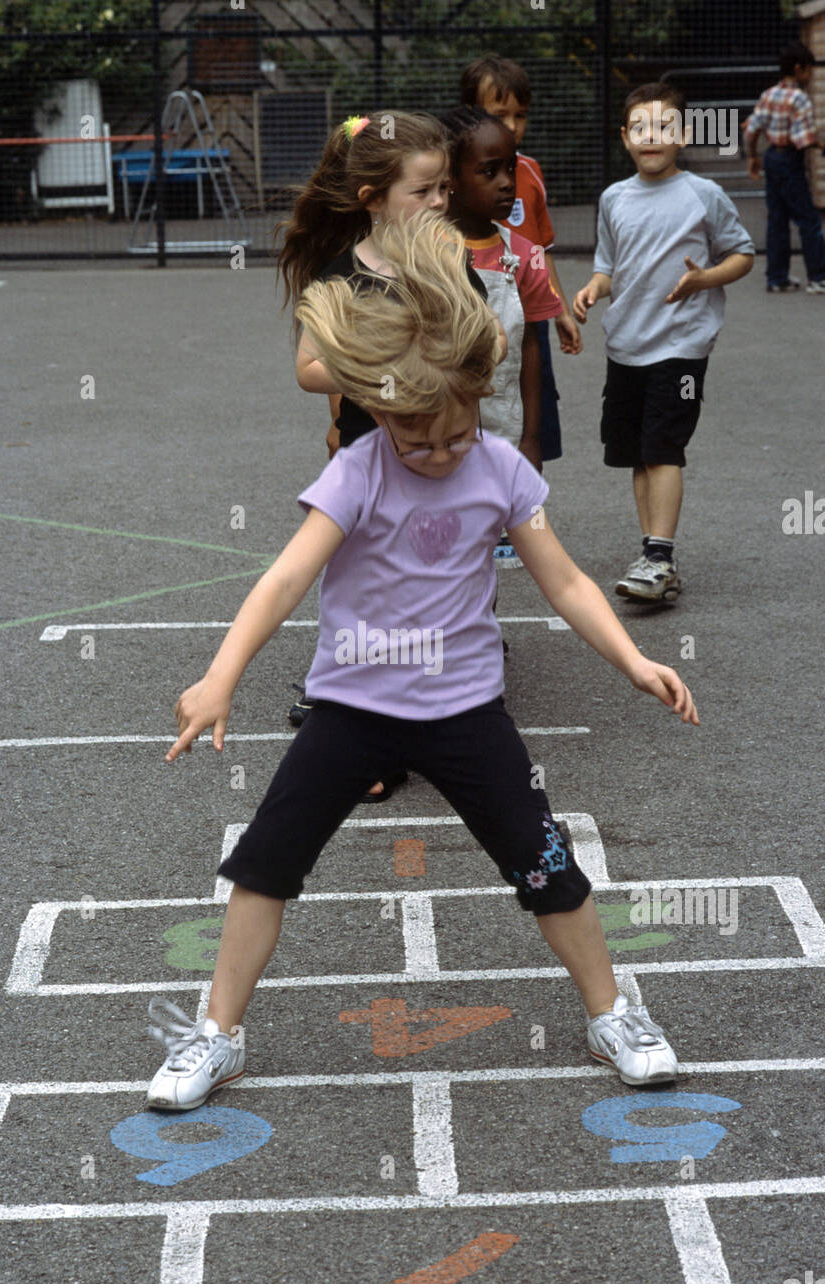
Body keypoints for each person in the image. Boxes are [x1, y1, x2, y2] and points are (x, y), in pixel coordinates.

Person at [145, 212, 699, 1114]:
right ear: (382, 415)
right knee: (264, 864)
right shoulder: (359, 470)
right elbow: (286, 578)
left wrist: (633, 660)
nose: (437, 456)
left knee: (545, 864)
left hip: (466, 714)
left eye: (453, 438)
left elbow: (563, 584)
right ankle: (217, 1034)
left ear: (476, 403)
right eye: (416, 441)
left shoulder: (504, 472)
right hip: (351, 710)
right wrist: (220, 677)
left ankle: (613, 1014)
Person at [276, 110, 505, 795]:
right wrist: (384, 375)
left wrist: (461, 361)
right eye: (425, 190)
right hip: (369, 456)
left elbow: (486, 339)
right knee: (369, 586)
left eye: (443, 188)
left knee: (442, 572)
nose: (441, 201)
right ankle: (358, 720)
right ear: (373, 198)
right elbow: (309, 367)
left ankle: (457, 689)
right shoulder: (342, 273)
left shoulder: (449, 258)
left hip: (439, 454)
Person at [573, 83, 755, 602]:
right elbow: (609, 266)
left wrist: (705, 279)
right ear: (624, 137)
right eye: (640, 127)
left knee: (663, 448)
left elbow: (742, 255)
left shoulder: (703, 195)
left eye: (663, 126)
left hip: (681, 347)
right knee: (636, 454)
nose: (651, 136)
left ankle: (660, 557)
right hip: (625, 345)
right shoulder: (613, 198)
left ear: (685, 134)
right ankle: (652, 552)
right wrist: (592, 289)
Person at [441, 105, 562, 568]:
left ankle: (482, 634)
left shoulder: (524, 255)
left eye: (509, 168)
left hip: (503, 420)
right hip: (437, 428)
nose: (507, 182)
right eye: (488, 172)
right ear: (450, 178)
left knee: (485, 540)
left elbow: (532, 344)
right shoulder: (424, 251)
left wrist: (532, 435)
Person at [460, 52, 583, 468]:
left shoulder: (530, 172)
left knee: (534, 402)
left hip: (530, 309)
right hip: (477, 306)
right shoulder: (459, 177)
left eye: (521, 115)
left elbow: (541, 250)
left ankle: (525, 501)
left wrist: (560, 309)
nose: (512, 126)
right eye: (500, 114)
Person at [744, 40, 825, 294]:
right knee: (808, 219)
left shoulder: (768, 94)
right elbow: (804, 139)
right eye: (809, 70)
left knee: (777, 219)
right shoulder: (800, 98)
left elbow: (752, 129)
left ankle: (776, 278)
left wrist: (751, 157)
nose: (811, 75)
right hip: (790, 160)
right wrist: (820, 145)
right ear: (799, 68)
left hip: (771, 158)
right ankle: (818, 277)